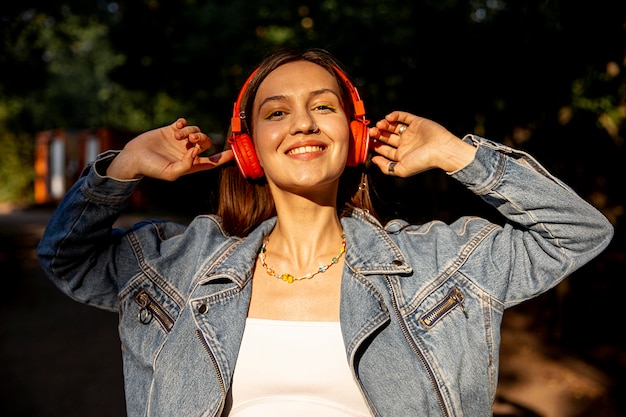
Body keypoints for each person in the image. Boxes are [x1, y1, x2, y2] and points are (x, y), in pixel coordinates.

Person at [37, 48, 613, 417]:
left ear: (355, 135)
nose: (304, 122)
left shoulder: (440, 266)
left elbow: (579, 232)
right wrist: (119, 170)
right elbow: (66, 257)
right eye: (276, 112)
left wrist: (456, 154)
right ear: (247, 147)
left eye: (322, 107)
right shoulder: (178, 264)